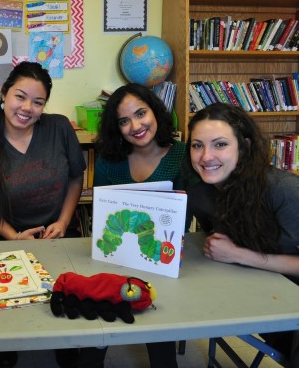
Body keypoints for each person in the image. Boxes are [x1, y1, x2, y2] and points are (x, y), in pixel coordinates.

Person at [0, 61, 86, 367]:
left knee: (65, 297)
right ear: (4, 95)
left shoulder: (59, 129)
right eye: (20, 96)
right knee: (10, 306)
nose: (27, 107)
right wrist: (13, 237)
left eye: (38, 101)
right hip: (7, 238)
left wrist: (63, 221)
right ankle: (7, 342)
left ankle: (66, 342)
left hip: (58, 235)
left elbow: (75, 178)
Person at [82, 83, 187, 368]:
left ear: (155, 111)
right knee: (97, 334)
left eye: (141, 113)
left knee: (160, 334)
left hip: (162, 261)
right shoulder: (108, 159)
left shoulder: (182, 155)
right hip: (116, 259)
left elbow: (186, 215)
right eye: (124, 121)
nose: (135, 125)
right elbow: (101, 215)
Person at [185, 102, 299, 365]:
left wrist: (239, 255)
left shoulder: (284, 190)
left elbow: (234, 252)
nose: (206, 157)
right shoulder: (202, 195)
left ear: (244, 146)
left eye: (220, 144)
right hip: (265, 294)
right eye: (197, 145)